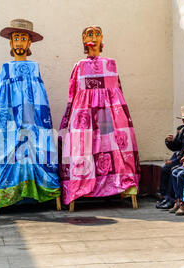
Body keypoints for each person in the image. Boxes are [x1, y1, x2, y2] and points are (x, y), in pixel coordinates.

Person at [0, 19, 61, 212]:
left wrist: (36, 122)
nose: (19, 42)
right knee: (9, 150)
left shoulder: (35, 68)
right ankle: (6, 195)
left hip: (31, 121)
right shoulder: (5, 69)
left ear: (29, 44)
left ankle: (38, 191)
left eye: (23, 38)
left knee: (37, 150)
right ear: (10, 43)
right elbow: (0, 101)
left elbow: (40, 97)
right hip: (11, 121)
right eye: (15, 38)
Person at [58, 26, 140, 206]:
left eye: (97, 34)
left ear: (102, 38)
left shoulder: (110, 63)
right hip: (84, 114)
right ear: (83, 39)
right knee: (82, 147)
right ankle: (82, 186)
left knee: (114, 147)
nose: (93, 37)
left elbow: (118, 90)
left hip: (108, 114)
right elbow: (73, 95)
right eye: (89, 34)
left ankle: (121, 185)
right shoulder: (79, 66)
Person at [157, 105, 184, 210]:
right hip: (181, 159)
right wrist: (169, 141)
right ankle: (165, 197)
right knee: (166, 168)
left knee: (172, 170)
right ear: (183, 120)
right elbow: (177, 146)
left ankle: (172, 199)